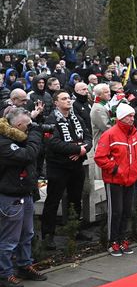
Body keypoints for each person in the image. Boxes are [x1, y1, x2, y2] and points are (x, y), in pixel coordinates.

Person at [0, 108, 47, 287]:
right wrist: (35, 134)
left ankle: (24, 266)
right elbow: (28, 155)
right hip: (10, 197)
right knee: (9, 239)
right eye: (28, 126)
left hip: (24, 193)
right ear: (18, 126)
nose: (31, 128)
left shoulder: (19, 138)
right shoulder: (4, 142)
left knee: (27, 234)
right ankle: (4, 274)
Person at [41, 90, 93, 250]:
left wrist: (82, 150)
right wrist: (77, 150)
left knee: (76, 198)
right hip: (58, 167)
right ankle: (47, 235)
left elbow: (88, 137)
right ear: (56, 102)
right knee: (53, 200)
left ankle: (75, 229)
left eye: (69, 98)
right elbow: (53, 143)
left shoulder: (76, 117)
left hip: (76, 165)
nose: (68, 101)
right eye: (64, 99)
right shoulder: (51, 120)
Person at [94, 103, 137, 257]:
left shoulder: (134, 132)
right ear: (121, 117)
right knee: (116, 211)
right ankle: (112, 241)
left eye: (133, 115)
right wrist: (115, 169)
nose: (132, 118)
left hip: (130, 178)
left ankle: (122, 239)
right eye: (129, 116)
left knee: (127, 211)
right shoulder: (110, 134)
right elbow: (100, 157)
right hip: (115, 180)